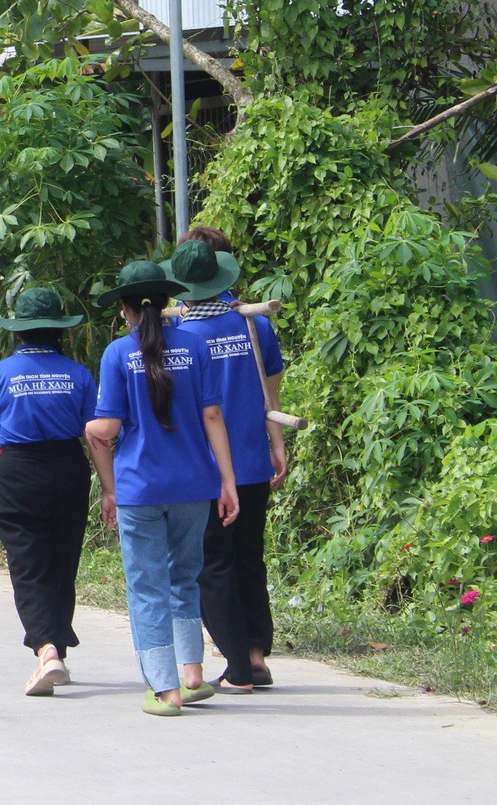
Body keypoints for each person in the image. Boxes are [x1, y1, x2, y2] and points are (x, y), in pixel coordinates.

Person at [85, 259, 240, 717]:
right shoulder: (194, 345)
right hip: (194, 483)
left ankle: (164, 690)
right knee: (184, 576)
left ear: (125, 309)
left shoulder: (117, 354)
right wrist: (227, 480)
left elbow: (108, 426)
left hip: (140, 488)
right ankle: (193, 674)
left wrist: (90, 424)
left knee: (147, 585)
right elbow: (213, 416)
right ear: (169, 300)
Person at [0, 285, 111, 697]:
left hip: (19, 472)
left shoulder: (1, 373)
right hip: (68, 471)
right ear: (58, 330)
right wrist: (108, 489)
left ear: (19, 332)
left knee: (28, 563)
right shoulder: (78, 373)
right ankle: (56, 647)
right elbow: (96, 436)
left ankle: (46, 650)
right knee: (62, 561)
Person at [170, 231, 287, 693]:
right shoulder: (253, 325)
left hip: (207, 471)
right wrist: (276, 442)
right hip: (254, 459)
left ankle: (238, 665)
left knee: (211, 563)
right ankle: (256, 654)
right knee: (247, 558)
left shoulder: (179, 333)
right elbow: (269, 388)